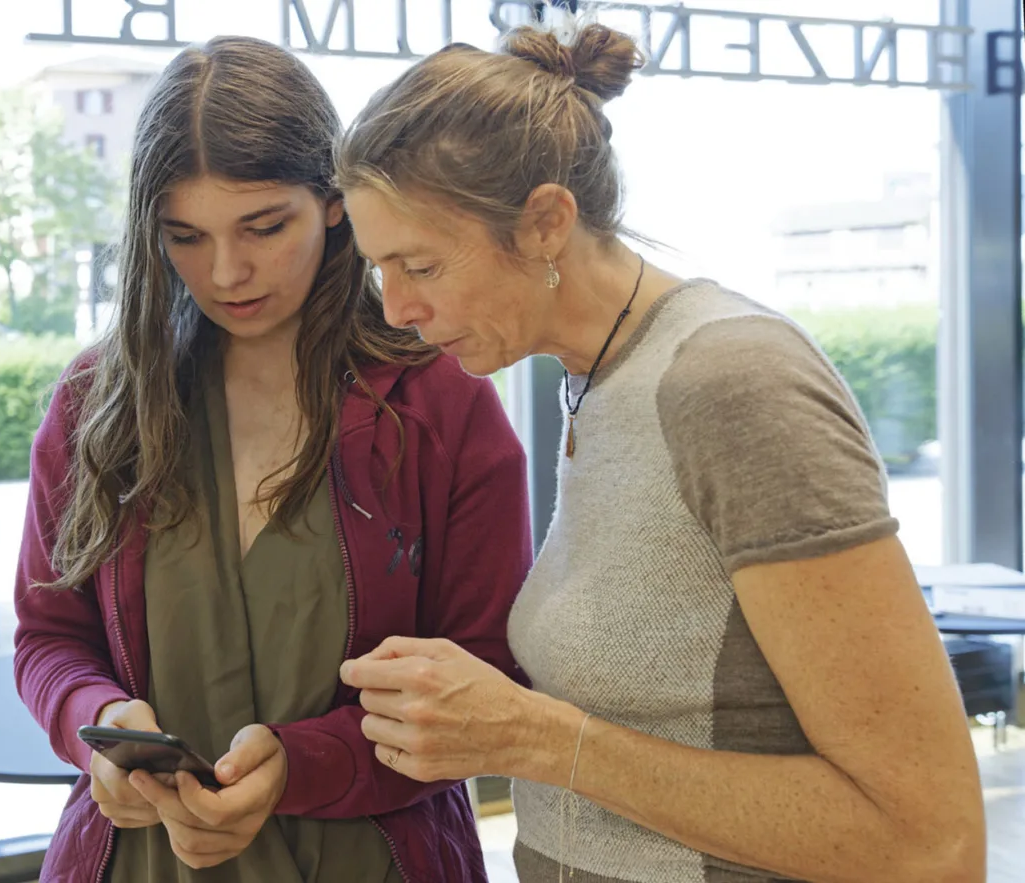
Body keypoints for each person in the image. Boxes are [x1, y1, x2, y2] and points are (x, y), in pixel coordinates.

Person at [334, 22, 987, 883]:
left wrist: (535, 736)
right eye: (380, 269)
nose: (396, 308)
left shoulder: (731, 382)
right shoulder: (598, 379)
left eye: (419, 265)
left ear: (545, 223)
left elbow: (929, 841)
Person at [12, 35, 532, 883]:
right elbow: (48, 637)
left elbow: (484, 676)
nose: (227, 272)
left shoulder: (441, 401)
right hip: (138, 860)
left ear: (334, 202)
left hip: (373, 860)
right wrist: (92, 721)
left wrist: (304, 763)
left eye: (264, 226)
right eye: (185, 236)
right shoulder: (96, 402)